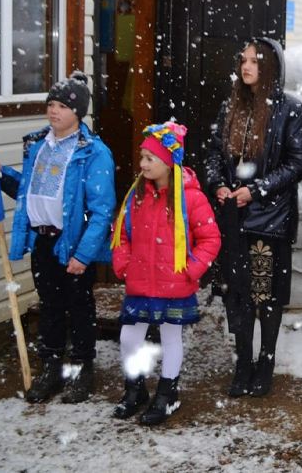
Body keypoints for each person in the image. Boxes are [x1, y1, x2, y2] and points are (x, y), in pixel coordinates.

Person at [0, 71, 115, 404]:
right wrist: (1, 175)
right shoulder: (38, 145)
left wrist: (83, 254)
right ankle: (51, 368)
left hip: (73, 243)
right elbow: (28, 192)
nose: (53, 111)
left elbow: (101, 211)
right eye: (51, 103)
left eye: (62, 105)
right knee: (50, 306)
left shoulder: (92, 153)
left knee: (79, 307)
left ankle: (82, 370)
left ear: (78, 112)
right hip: (43, 241)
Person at [205, 38, 302, 398]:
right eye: (244, 60)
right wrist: (219, 184)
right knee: (238, 296)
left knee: (266, 297)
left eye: (255, 62)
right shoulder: (231, 107)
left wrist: (258, 190)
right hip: (233, 219)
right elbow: (214, 154)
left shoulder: (291, 111)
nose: (246, 67)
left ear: (271, 69)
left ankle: (265, 362)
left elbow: (297, 164)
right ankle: (243, 362)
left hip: (270, 220)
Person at [110, 122, 221, 425]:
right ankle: (135, 390)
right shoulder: (137, 195)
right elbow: (122, 234)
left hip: (174, 284)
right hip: (141, 282)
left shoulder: (190, 197)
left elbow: (211, 239)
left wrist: (192, 268)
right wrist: (123, 263)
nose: (143, 164)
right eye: (142, 157)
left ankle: (167, 394)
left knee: (171, 337)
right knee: (129, 336)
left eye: (150, 158)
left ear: (169, 161)